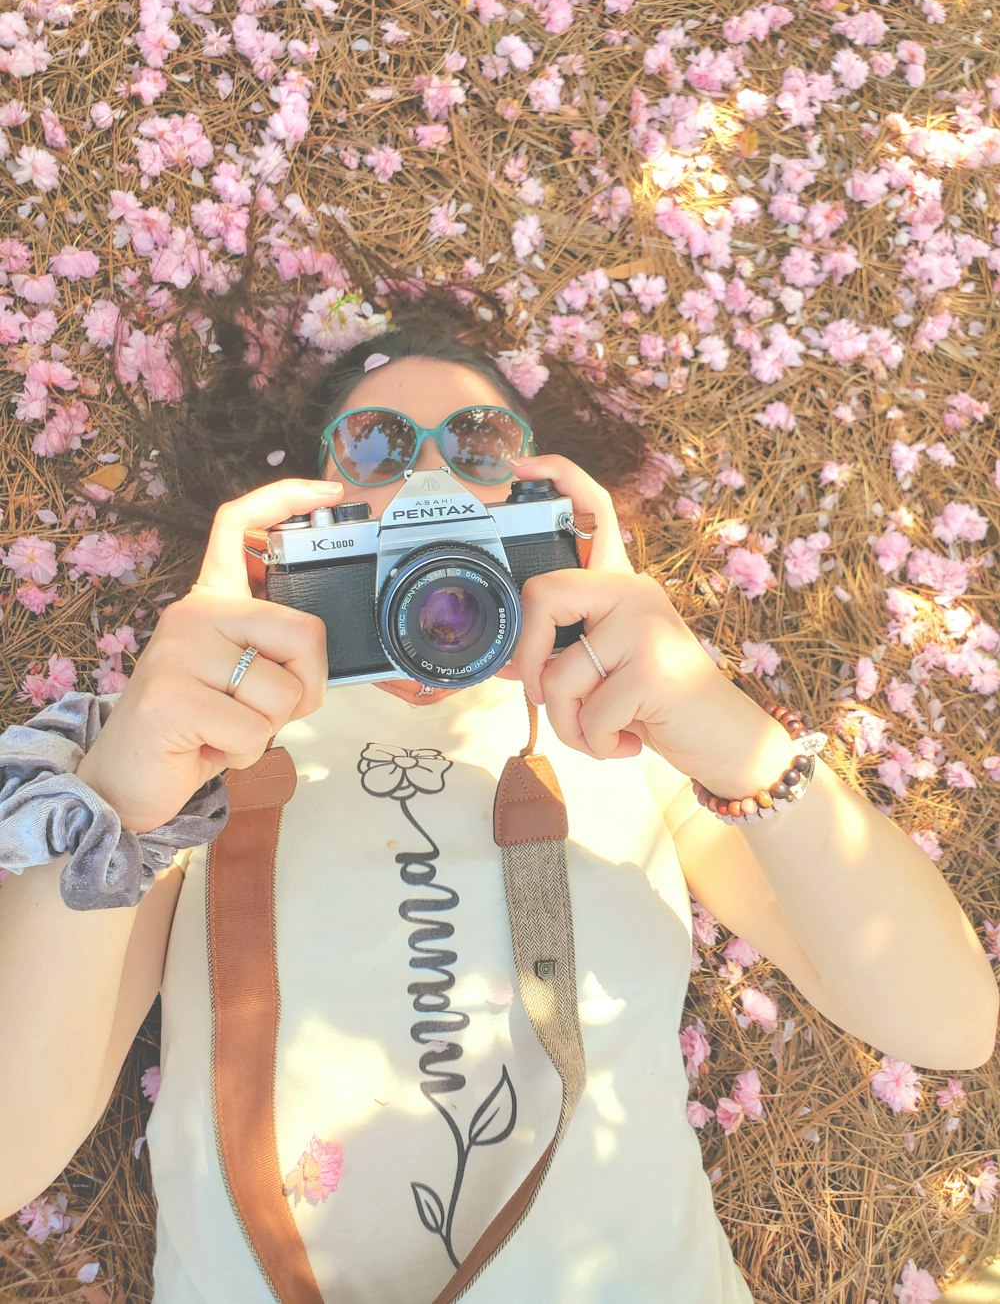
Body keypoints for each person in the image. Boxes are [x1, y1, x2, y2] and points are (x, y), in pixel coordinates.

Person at [1, 324, 996, 1303]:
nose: (431, 487)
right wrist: (128, 785)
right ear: (301, 521)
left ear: (548, 505)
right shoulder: (192, 745)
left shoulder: (624, 737)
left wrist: (730, 734)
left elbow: (950, 1023)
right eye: (376, 446)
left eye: (480, 446)